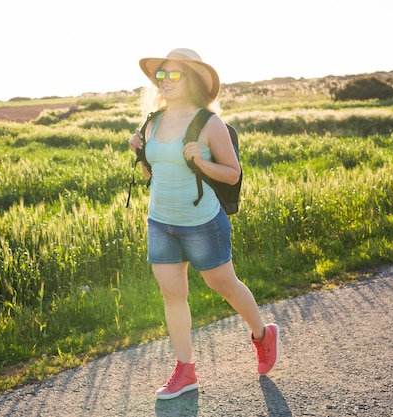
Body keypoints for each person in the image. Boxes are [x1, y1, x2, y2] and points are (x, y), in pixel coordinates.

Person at [128, 48, 280, 400]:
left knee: (222, 283)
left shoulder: (208, 123)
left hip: (201, 222)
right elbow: (154, 173)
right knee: (173, 294)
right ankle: (185, 370)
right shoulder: (152, 121)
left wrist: (201, 160)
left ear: (192, 79)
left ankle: (262, 334)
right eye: (161, 75)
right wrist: (138, 151)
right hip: (161, 222)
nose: (165, 81)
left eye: (174, 75)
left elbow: (232, 173)